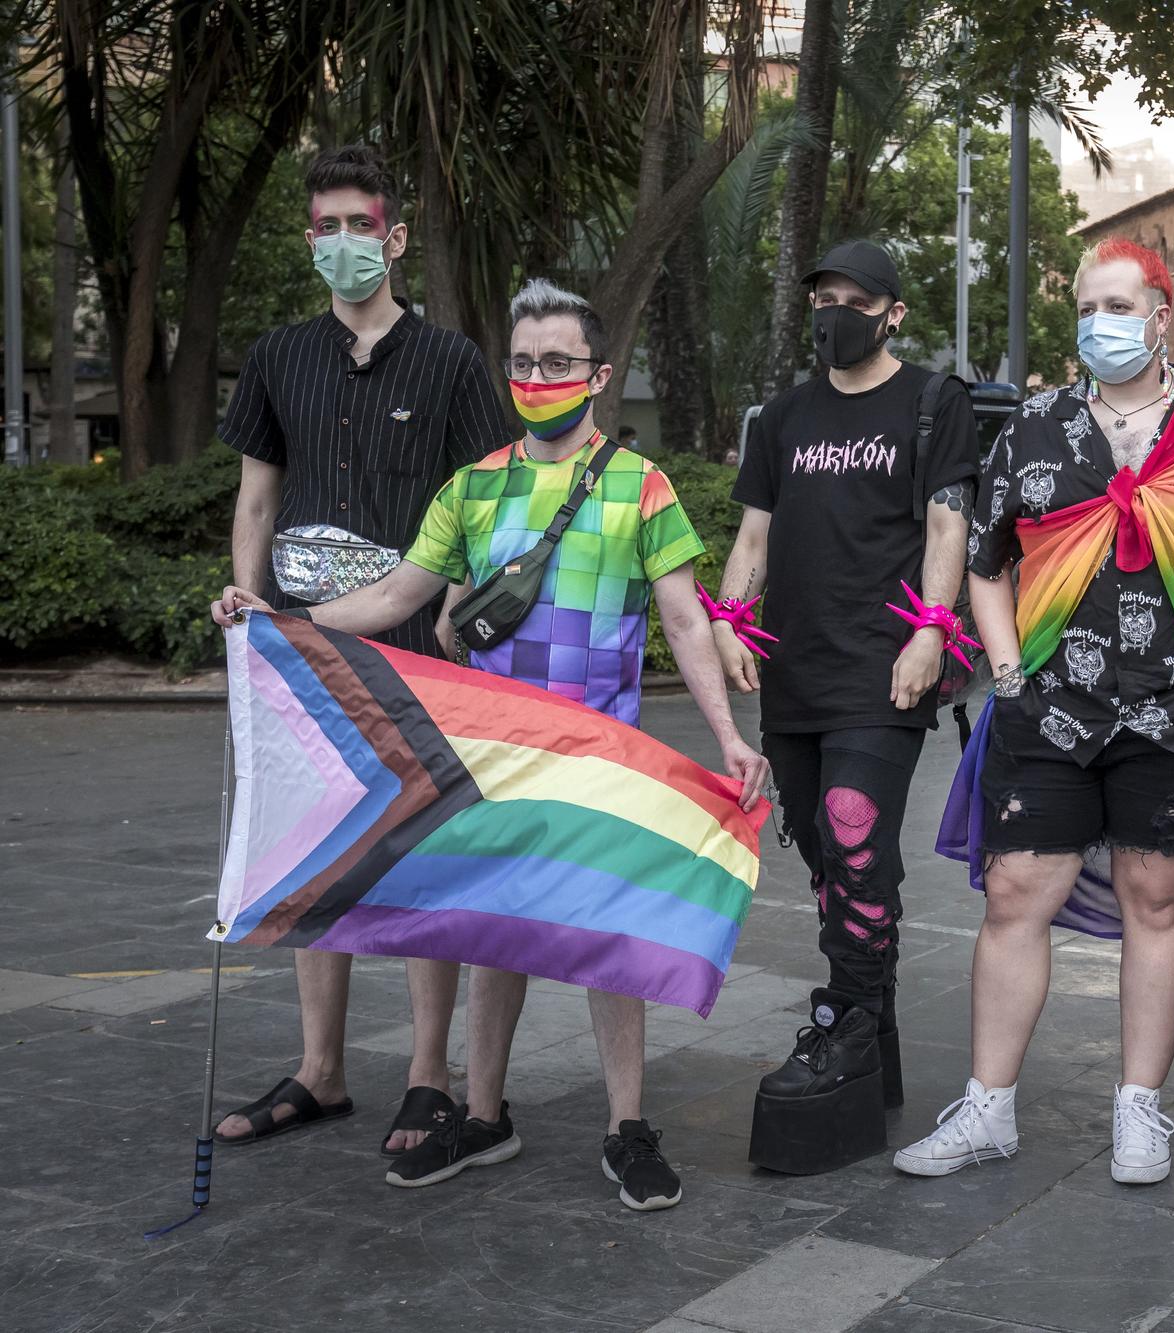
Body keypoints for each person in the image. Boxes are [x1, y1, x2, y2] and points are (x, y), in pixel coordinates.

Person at [211, 279, 769, 1212]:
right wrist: (285, 622)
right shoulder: (471, 485)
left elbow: (681, 612)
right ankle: (482, 1114)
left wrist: (727, 737)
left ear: (597, 375)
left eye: (557, 363)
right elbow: (397, 597)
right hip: (495, 757)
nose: (537, 377)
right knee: (493, 929)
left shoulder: (642, 484)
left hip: (601, 759)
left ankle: (627, 1126)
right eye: (522, 363)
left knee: (611, 938)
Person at [903, 238, 1174, 1185]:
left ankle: (1139, 1108)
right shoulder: (1038, 425)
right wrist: (1006, 672)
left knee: (1157, 900)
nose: (1101, 325)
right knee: (1014, 895)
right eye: (1088, 309)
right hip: (1048, 703)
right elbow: (987, 560)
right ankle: (987, 1109)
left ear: (1162, 313)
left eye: (1119, 306)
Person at [214, 144, 512, 1156]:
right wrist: (250, 602)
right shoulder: (277, 357)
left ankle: (429, 1076)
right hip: (300, 645)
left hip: (420, 647)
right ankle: (321, 1070)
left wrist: (453, 607)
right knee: (313, 848)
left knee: (421, 858)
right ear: (311, 240)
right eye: (325, 226)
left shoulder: (451, 362)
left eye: (359, 225)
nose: (343, 243)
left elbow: (487, 499)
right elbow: (256, 493)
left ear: (392, 236)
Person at [710, 240, 978, 1173]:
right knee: (831, 864)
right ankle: (874, 1025)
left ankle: (846, 1023)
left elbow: (948, 523)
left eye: (853, 299)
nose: (834, 313)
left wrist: (933, 630)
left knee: (854, 829)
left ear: (893, 311)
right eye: (821, 297)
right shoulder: (780, 416)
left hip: (884, 664)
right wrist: (729, 619)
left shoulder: (934, 403)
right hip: (794, 672)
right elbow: (755, 532)